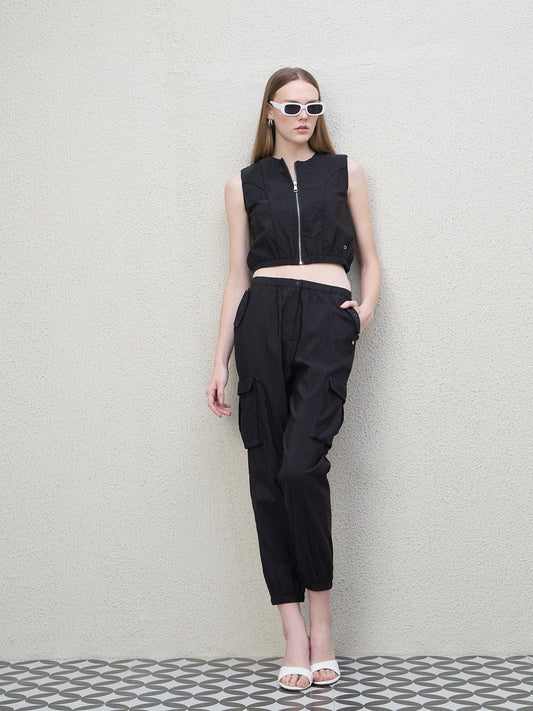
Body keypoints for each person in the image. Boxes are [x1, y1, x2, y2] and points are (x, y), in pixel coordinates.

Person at [206, 67, 381, 692]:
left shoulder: (346, 172)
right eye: (293, 106)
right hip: (262, 320)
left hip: (327, 317)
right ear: (270, 112)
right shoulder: (243, 184)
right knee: (267, 473)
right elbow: (237, 275)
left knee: (301, 466)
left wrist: (362, 311)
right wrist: (219, 358)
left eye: (314, 106)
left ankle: (323, 626)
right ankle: (294, 633)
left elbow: (370, 259)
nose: (304, 116)